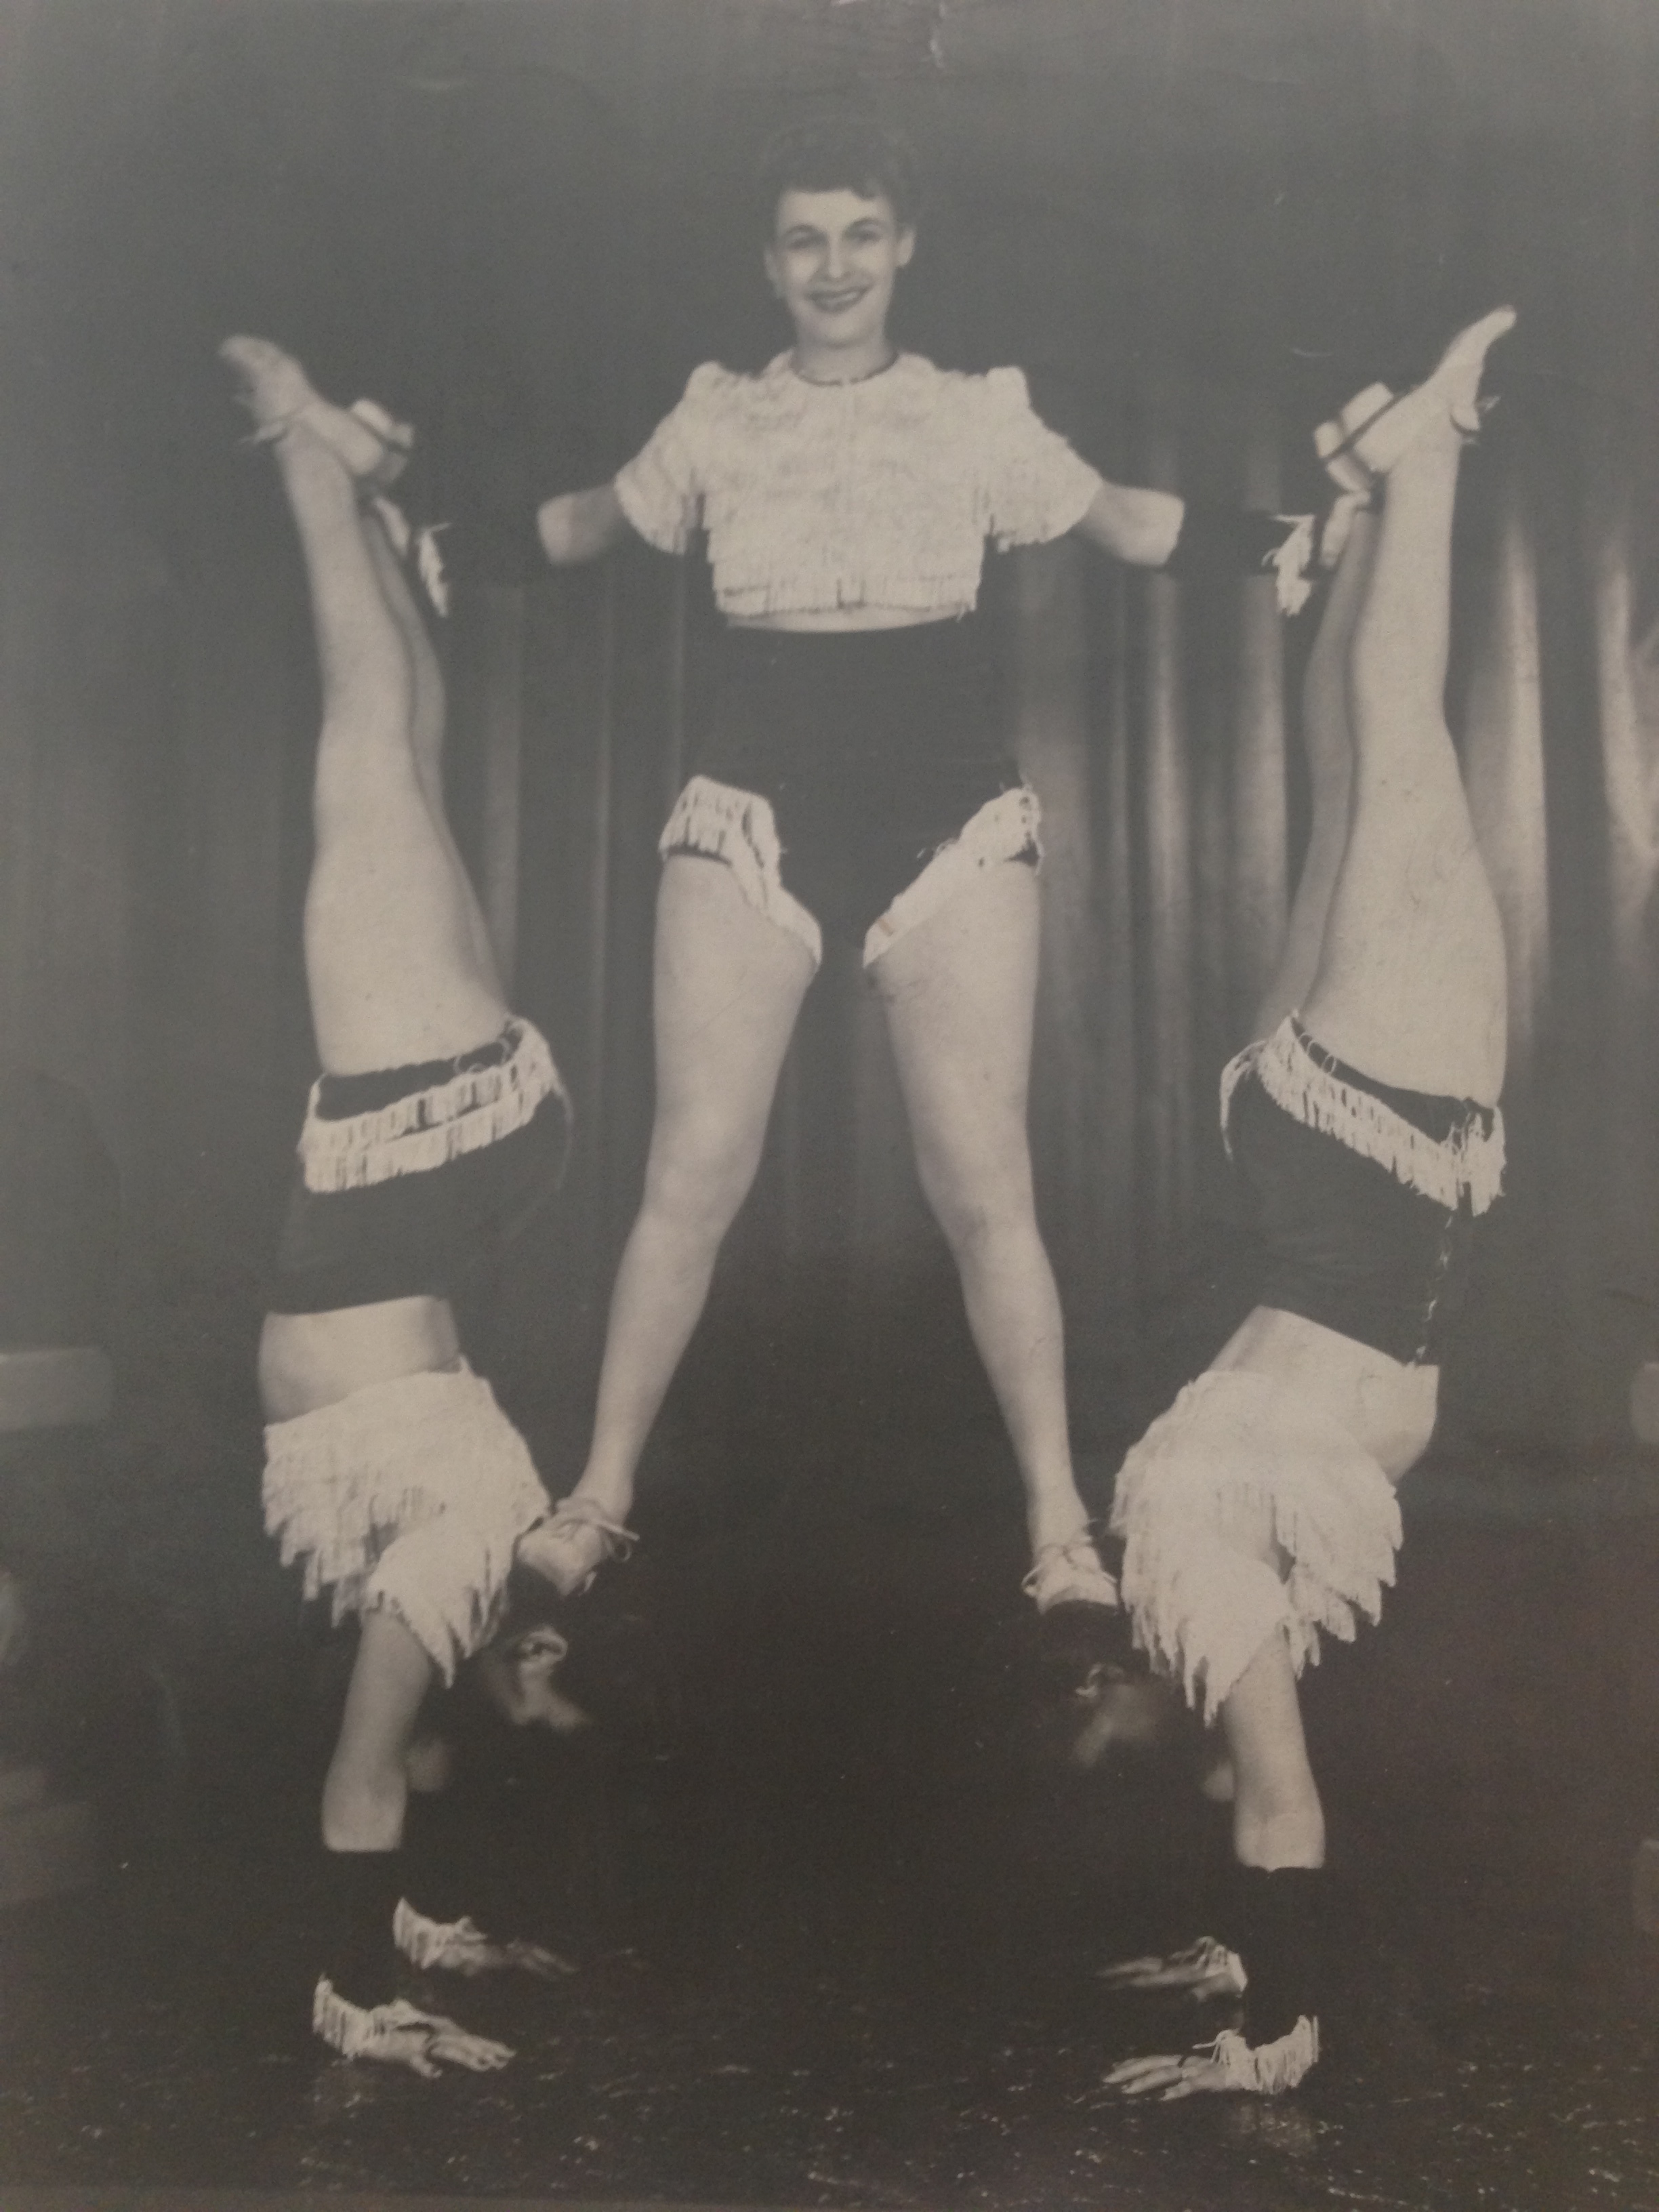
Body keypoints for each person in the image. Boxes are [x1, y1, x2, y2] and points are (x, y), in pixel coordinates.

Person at [512, 113, 1317, 1622]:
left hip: (949, 813)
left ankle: (1061, 1528)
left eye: (862, 235)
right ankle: (596, 1498)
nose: (835, 266)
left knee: (985, 1187)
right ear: (769, 263)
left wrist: (1301, 537)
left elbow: (1130, 524)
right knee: (691, 1171)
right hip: (753, 804)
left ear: (906, 247)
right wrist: (410, 537)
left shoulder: (973, 417)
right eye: (804, 239)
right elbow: (576, 526)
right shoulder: (715, 421)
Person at [1099, 308, 1515, 2098]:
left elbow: (1276, 1798)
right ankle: (1372, 506)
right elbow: (1243, 1767)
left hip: (1357, 1156)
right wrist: (1234, 1950)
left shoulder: (1202, 1537)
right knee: (1359, 777)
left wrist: (1260, 2036)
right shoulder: (1187, 1526)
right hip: (1303, 1159)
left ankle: (1419, 470)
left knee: (1389, 761)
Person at [222, 337, 582, 2077]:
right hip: (409, 1175)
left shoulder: (468, 1544)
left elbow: (418, 1741)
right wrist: (362, 1997)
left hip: (450, 1183)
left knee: (403, 779)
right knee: (372, 763)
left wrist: (416, 1910)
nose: (538, 1680)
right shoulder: (455, 1547)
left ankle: (357, 496)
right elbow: (367, 1771)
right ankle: (310, 459)